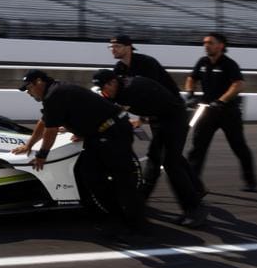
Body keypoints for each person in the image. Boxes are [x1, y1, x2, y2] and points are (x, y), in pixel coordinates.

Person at [12, 69, 145, 239]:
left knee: (123, 182)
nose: (29, 93)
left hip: (113, 132)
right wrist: (29, 144)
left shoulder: (55, 94)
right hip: (99, 134)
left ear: (39, 82)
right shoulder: (54, 92)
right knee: (90, 176)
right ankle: (117, 219)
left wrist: (42, 155)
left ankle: (137, 228)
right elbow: (45, 121)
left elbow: (51, 131)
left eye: (29, 88)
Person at [92, 69, 207, 228]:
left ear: (112, 82)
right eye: (100, 90)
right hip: (160, 118)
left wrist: (90, 131)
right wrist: (141, 118)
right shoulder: (121, 86)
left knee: (171, 164)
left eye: (104, 88)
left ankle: (195, 209)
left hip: (175, 120)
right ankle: (139, 201)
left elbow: (113, 117)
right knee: (153, 159)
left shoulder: (128, 90)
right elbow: (149, 98)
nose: (104, 92)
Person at [185, 33, 257, 191]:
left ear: (220, 46)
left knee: (238, 146)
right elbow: (191, 78)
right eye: (204, 42)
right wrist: (190, 94)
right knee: (197, 148)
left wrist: (221, 101)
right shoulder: (202, 62)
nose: (206, 45)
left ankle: (250, 180)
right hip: (207, 112)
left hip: (228, 113)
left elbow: (238, 85)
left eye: (210, 43)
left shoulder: (229, 64)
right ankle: (193, 182)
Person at [108, 34, 178, 197]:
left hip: (170, 110)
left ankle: (143, 193)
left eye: (117, 46)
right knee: (169, 153)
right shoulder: (119, 68)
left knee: (163, 156)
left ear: (128, 47)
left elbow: (151, 92)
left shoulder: (146, 63)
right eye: (111, 46)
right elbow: (119, 95)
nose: (113, 49)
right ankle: (196, 189)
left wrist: (140, 118)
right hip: (153, 112)